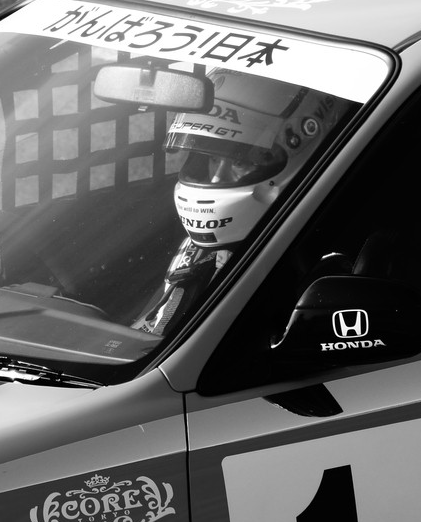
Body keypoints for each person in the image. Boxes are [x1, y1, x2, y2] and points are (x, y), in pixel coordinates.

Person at [133, 69, 353, 335]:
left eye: (241, 161)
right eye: (211, 157)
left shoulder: (324, 263)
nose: (216, 178)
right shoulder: (197, 250)